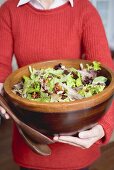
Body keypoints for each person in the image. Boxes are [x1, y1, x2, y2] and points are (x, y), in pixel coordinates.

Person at [0, 0, 114, 169]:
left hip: (78, 148)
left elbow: (107, 76)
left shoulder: (84, 9)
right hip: (31, 144)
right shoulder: (9, 10)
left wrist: (105, 125)